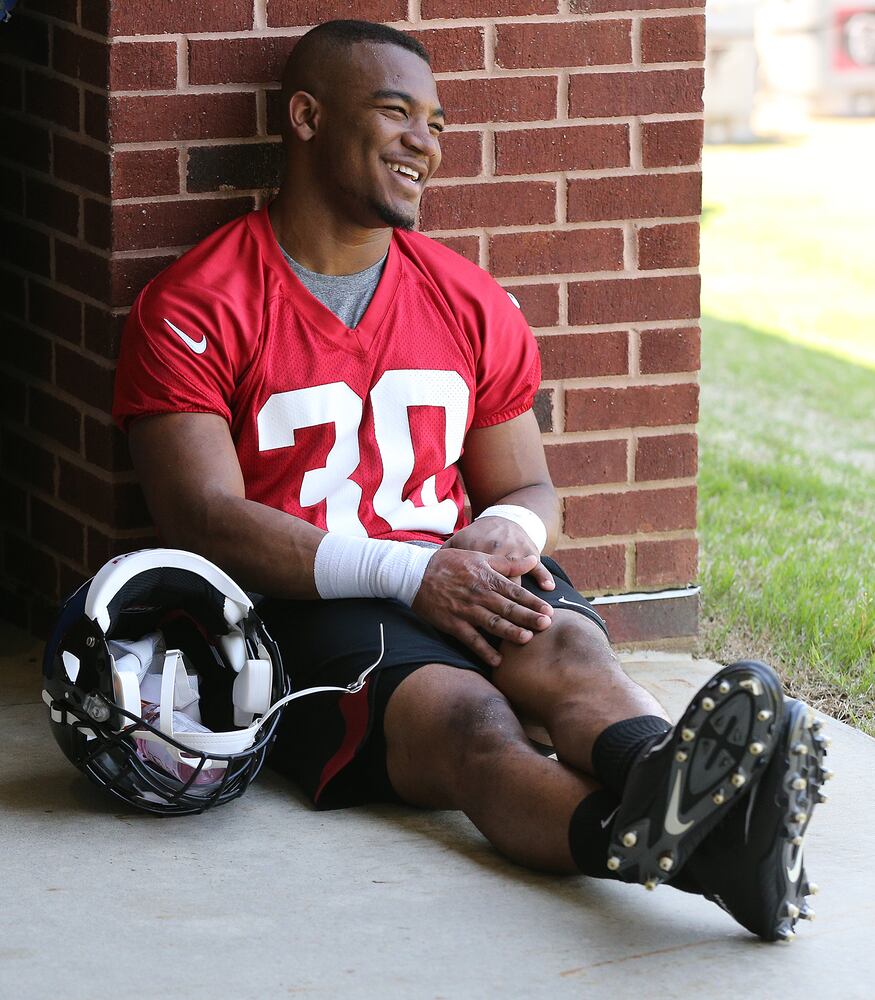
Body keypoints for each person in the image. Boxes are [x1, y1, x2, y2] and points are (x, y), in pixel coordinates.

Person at [112, 19, 828, 941]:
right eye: (394, 112)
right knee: (472, 729)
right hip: (306, 601)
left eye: (437, 124)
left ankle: (676, 790)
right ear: (305, 117)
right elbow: (202, 517)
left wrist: (512, 536)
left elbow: (527, 488)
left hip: (454, 563)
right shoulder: (195, 304)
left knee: (571, 655)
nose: (425, 142)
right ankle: (711, 846)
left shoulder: (465, 297)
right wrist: (413, 576)